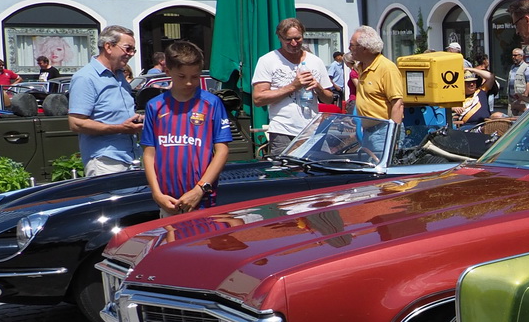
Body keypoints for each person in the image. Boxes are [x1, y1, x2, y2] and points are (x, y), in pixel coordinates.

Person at [140, 40, 232, 214]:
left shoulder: (211, 104)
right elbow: (149, 153)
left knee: (201, 241)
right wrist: (156, 193)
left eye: (195, 77)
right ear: (168, 71)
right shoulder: (155, 106)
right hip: (168, 201)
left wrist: (200, 189)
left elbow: (222, 151)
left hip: (202, 199)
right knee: (171, 240)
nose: (189, 83)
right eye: (182, 76)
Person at [252, 17, 337, 157]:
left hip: (312, 130)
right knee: (285, 173)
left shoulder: (315, 61)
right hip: (283, 131)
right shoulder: (268, 60)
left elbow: (329, 99)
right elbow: (258, 98)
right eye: (288, 39)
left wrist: (318, 88)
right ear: (280, 38)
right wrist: (293, 86)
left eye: (298, 38)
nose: (293, 43)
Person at [68, 27, 142, 176]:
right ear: (108, 46)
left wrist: (138, 119)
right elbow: (75, 123)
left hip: (131, 156)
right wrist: (120, 128)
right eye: (128, 49)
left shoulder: (120, 76)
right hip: (105, 161)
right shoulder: (86, 78)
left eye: (133, 50)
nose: (131, 54)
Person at [349, 26, 405, 122]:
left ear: (364, 48)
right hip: (367, 130)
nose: (349, 48)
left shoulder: (387, 68)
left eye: (352, 45)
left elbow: (398, 104)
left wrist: (391, 134)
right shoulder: (361, 66)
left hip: (383, 130)